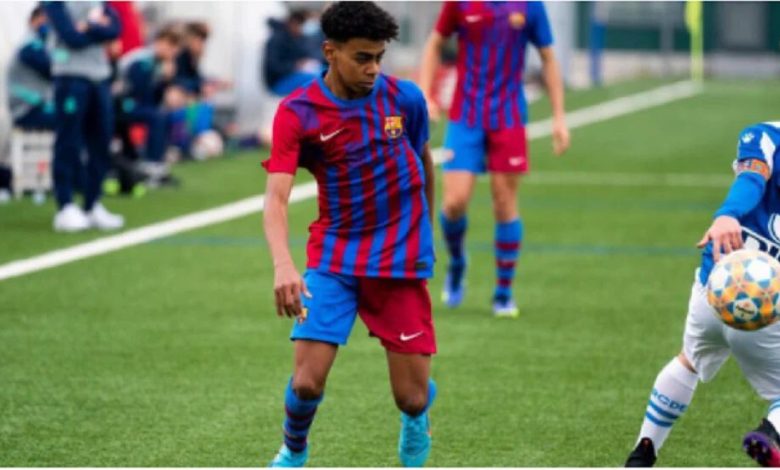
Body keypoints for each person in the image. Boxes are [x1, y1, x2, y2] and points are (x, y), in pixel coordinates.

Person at [262, 2, 437, 467]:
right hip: (334, 258)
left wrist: (426, 234)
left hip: (399, 259)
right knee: (306, 383)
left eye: (379, 57)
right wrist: (283, 264)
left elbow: (423, 161)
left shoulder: (405, 99)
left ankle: (418, 417)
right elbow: (276, 198)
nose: (373, 68)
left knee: (412, 398)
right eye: (363, 57)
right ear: (330, 52)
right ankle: (293, 449)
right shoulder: (298, 112)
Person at [624, 122, 780, 467]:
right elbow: (752, 179)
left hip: (715, 290)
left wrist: (727, 215)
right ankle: (772, 433)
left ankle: (643, 452)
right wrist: (727, 213)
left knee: (689, 361)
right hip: (767, 311)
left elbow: (752, 178)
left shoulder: (764, 135)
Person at [419, 1, 570, 317]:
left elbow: (548, 58)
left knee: (504, 203)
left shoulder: (530, 6)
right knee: (454, 203)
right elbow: (434, 43)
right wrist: (425, 94)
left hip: (509, 117)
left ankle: (503, 292)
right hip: (465, 115)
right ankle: (457, 261)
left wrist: (559, 117)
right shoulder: (459, 3)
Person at [43, 1, 124, 232]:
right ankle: (65, 205)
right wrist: (98, 28)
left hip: (100, 77)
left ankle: (92, 202)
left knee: (102, 141)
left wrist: (88, 27)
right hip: (70, 76)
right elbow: (71, 37)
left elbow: (115, 29)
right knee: (68, 141)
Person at [114, 25, 180, 186]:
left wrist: (167, 82)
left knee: (164, 115)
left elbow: (155, 98)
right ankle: (151, 166)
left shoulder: (160, 63)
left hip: (137, 104)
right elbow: (138, 91)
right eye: (169, 45)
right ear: (159, 42)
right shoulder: (141, 60)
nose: (171, 51)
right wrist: (163, 79)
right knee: (157, 116)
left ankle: (158, 161)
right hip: (120, 105)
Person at [7, 6, 56, 131]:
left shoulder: (43, 45)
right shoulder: (29, 47)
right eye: (43, 21)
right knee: (72, 120)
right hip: (26, 110)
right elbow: (52, 69)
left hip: (40, 106)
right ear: (32, 21)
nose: (47, 25)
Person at [263, 9, 324, 96]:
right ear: (293, 23)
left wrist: (307, 62)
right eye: (302, 24)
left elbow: (310, 53)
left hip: (296, 75)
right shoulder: (276, 40)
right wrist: (295, 65)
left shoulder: (298, 38)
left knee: (325, 71)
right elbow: (274, 65)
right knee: (317, 79)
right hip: (278, 82)